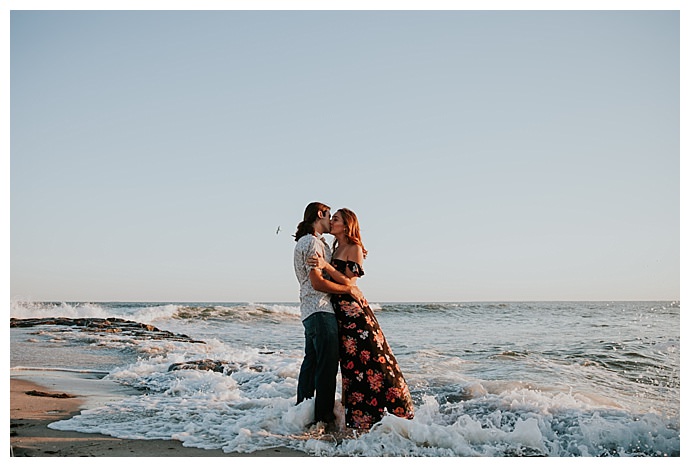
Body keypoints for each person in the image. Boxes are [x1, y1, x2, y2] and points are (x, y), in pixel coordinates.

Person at [308, 208, 414, 431]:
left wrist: (326, 266)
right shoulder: (334, 248)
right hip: (339, 314)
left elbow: (351, 283)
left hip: (356, 316)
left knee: (375, 362)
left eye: (335, 219)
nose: (331, 222)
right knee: (350, 367)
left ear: (346, 226)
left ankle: (398, 415)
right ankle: (357, 421)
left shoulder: (354, 248)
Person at [293, 201, 366, 431]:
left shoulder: (310, 242)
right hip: (321, 311)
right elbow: (317, 282)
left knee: (311, 364)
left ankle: (301, 414)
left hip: (309, 311)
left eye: (336, 218)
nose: (331, 220)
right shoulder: (313, 243)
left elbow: (341, 269)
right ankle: (322, 420)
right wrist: (349, 289)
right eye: (329, 216)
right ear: (319, 215)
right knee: (326, 368)